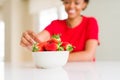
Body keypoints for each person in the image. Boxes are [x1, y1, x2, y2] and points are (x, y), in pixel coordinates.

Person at [20, 0, 99, 62]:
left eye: (77, 3)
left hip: (87, 72)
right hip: (61, 71)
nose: (71, 6)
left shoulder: (90, 22)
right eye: (67, 2)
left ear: (84, 4)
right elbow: (37, 41)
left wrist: (55, 58)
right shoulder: (56, 24)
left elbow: (89, 55)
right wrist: (29, 41)